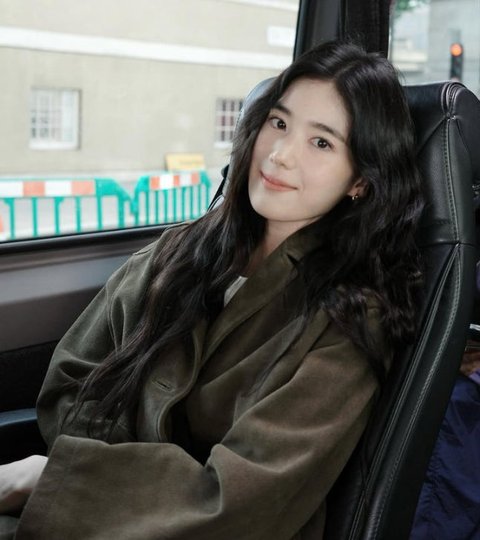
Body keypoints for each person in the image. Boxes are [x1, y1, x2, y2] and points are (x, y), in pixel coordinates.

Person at [0, 40, 424, 539]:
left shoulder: (347, 322)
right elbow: (72, 379)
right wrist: (94, 475)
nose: (280, 155)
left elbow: (240, 501)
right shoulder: (177, 251)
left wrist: (62, 477)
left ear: (360, 181)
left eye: (322, 143)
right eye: (279, 123)